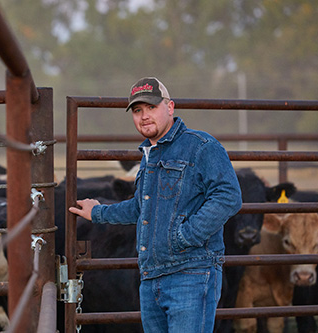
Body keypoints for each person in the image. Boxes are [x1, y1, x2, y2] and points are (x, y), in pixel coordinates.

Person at [68, 77, 242, 333]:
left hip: (190, 274)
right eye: (137, 110)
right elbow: (140, 208)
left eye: (151, 107)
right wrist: (98, 212)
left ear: (170, 107)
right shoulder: (149, 156)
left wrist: (185, 236)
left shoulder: (200, 146)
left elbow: (229, 196)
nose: (144, 116)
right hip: (151, 278)